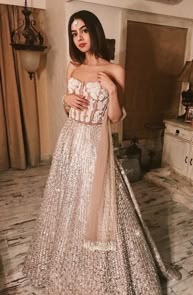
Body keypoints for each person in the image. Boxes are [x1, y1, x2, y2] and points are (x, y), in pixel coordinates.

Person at [23, 10, 181, 294]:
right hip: (70, 140)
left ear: (94, 31)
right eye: (74, 33)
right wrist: (64, 98)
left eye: (84, 30)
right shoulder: (72, 66)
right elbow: (69, 108)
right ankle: (66, 258)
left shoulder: (115, 70)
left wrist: (112, 91)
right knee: (68, 200)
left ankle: (105, 270)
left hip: (96, 142)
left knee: (101, 204)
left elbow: (116, 117)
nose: (79, 37)